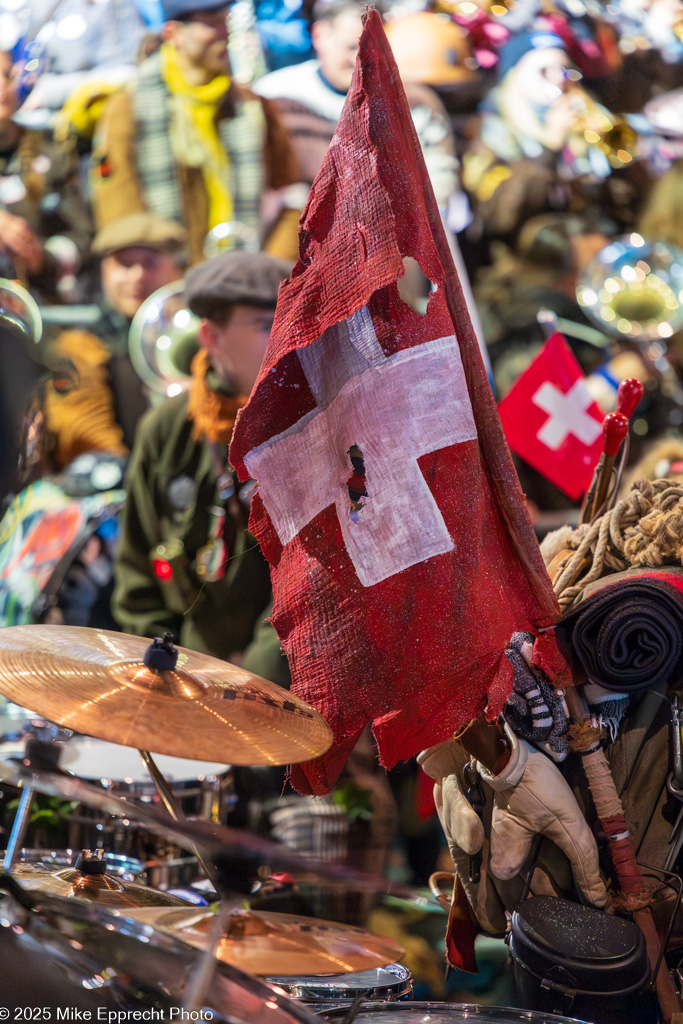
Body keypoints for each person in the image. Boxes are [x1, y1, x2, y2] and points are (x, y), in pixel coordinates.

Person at [112, 249, 291, 682]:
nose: (288, 336)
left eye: (293, 318)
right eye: (267, 325)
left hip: (292, 688)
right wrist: (169, 672)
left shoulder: (315, 424)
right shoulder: (167, 431)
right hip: (194, 685)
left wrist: (259, 675)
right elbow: (138, 576)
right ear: (210, 335)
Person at [90, 0, 303, 265]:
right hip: (168, 282)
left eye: (226, 22)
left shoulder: (251, 106)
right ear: (172, 34)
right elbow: (120, 209)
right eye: (211, 24)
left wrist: (268, 269)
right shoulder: (128, 106)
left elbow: (292, 196)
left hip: (246, 279)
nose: (224, 34)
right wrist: (164, 277)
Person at [254, 0, 460, 211]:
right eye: (351, 47)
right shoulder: (276, 95)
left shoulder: (415, 101)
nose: (359, 59)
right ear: (320, 36)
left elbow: (438, 176)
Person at [41, 212, 188, 468]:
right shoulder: (81, 345)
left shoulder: (198, 333)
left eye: (150, 263)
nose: (137, 276)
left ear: (176, 270)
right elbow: (86, 437)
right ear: (105, 272)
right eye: (124, 264)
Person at [0, 50, 92, 301]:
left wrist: (40, 258)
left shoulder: (51, 150)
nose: (2, 87)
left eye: (7, 75)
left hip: (34, 301)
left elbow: (81, 236)